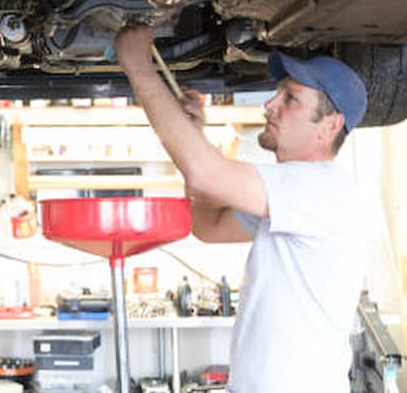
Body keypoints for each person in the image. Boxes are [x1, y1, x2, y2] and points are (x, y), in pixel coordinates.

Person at [114, 25, 369, 393]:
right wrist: (195, 135)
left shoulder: (321, 188)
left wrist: (139, 68)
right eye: (277, 94)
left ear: (329, 125)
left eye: (291, 99)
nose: (269, 105)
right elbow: (210, 225)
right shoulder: (289, 197)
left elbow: (205, 174)